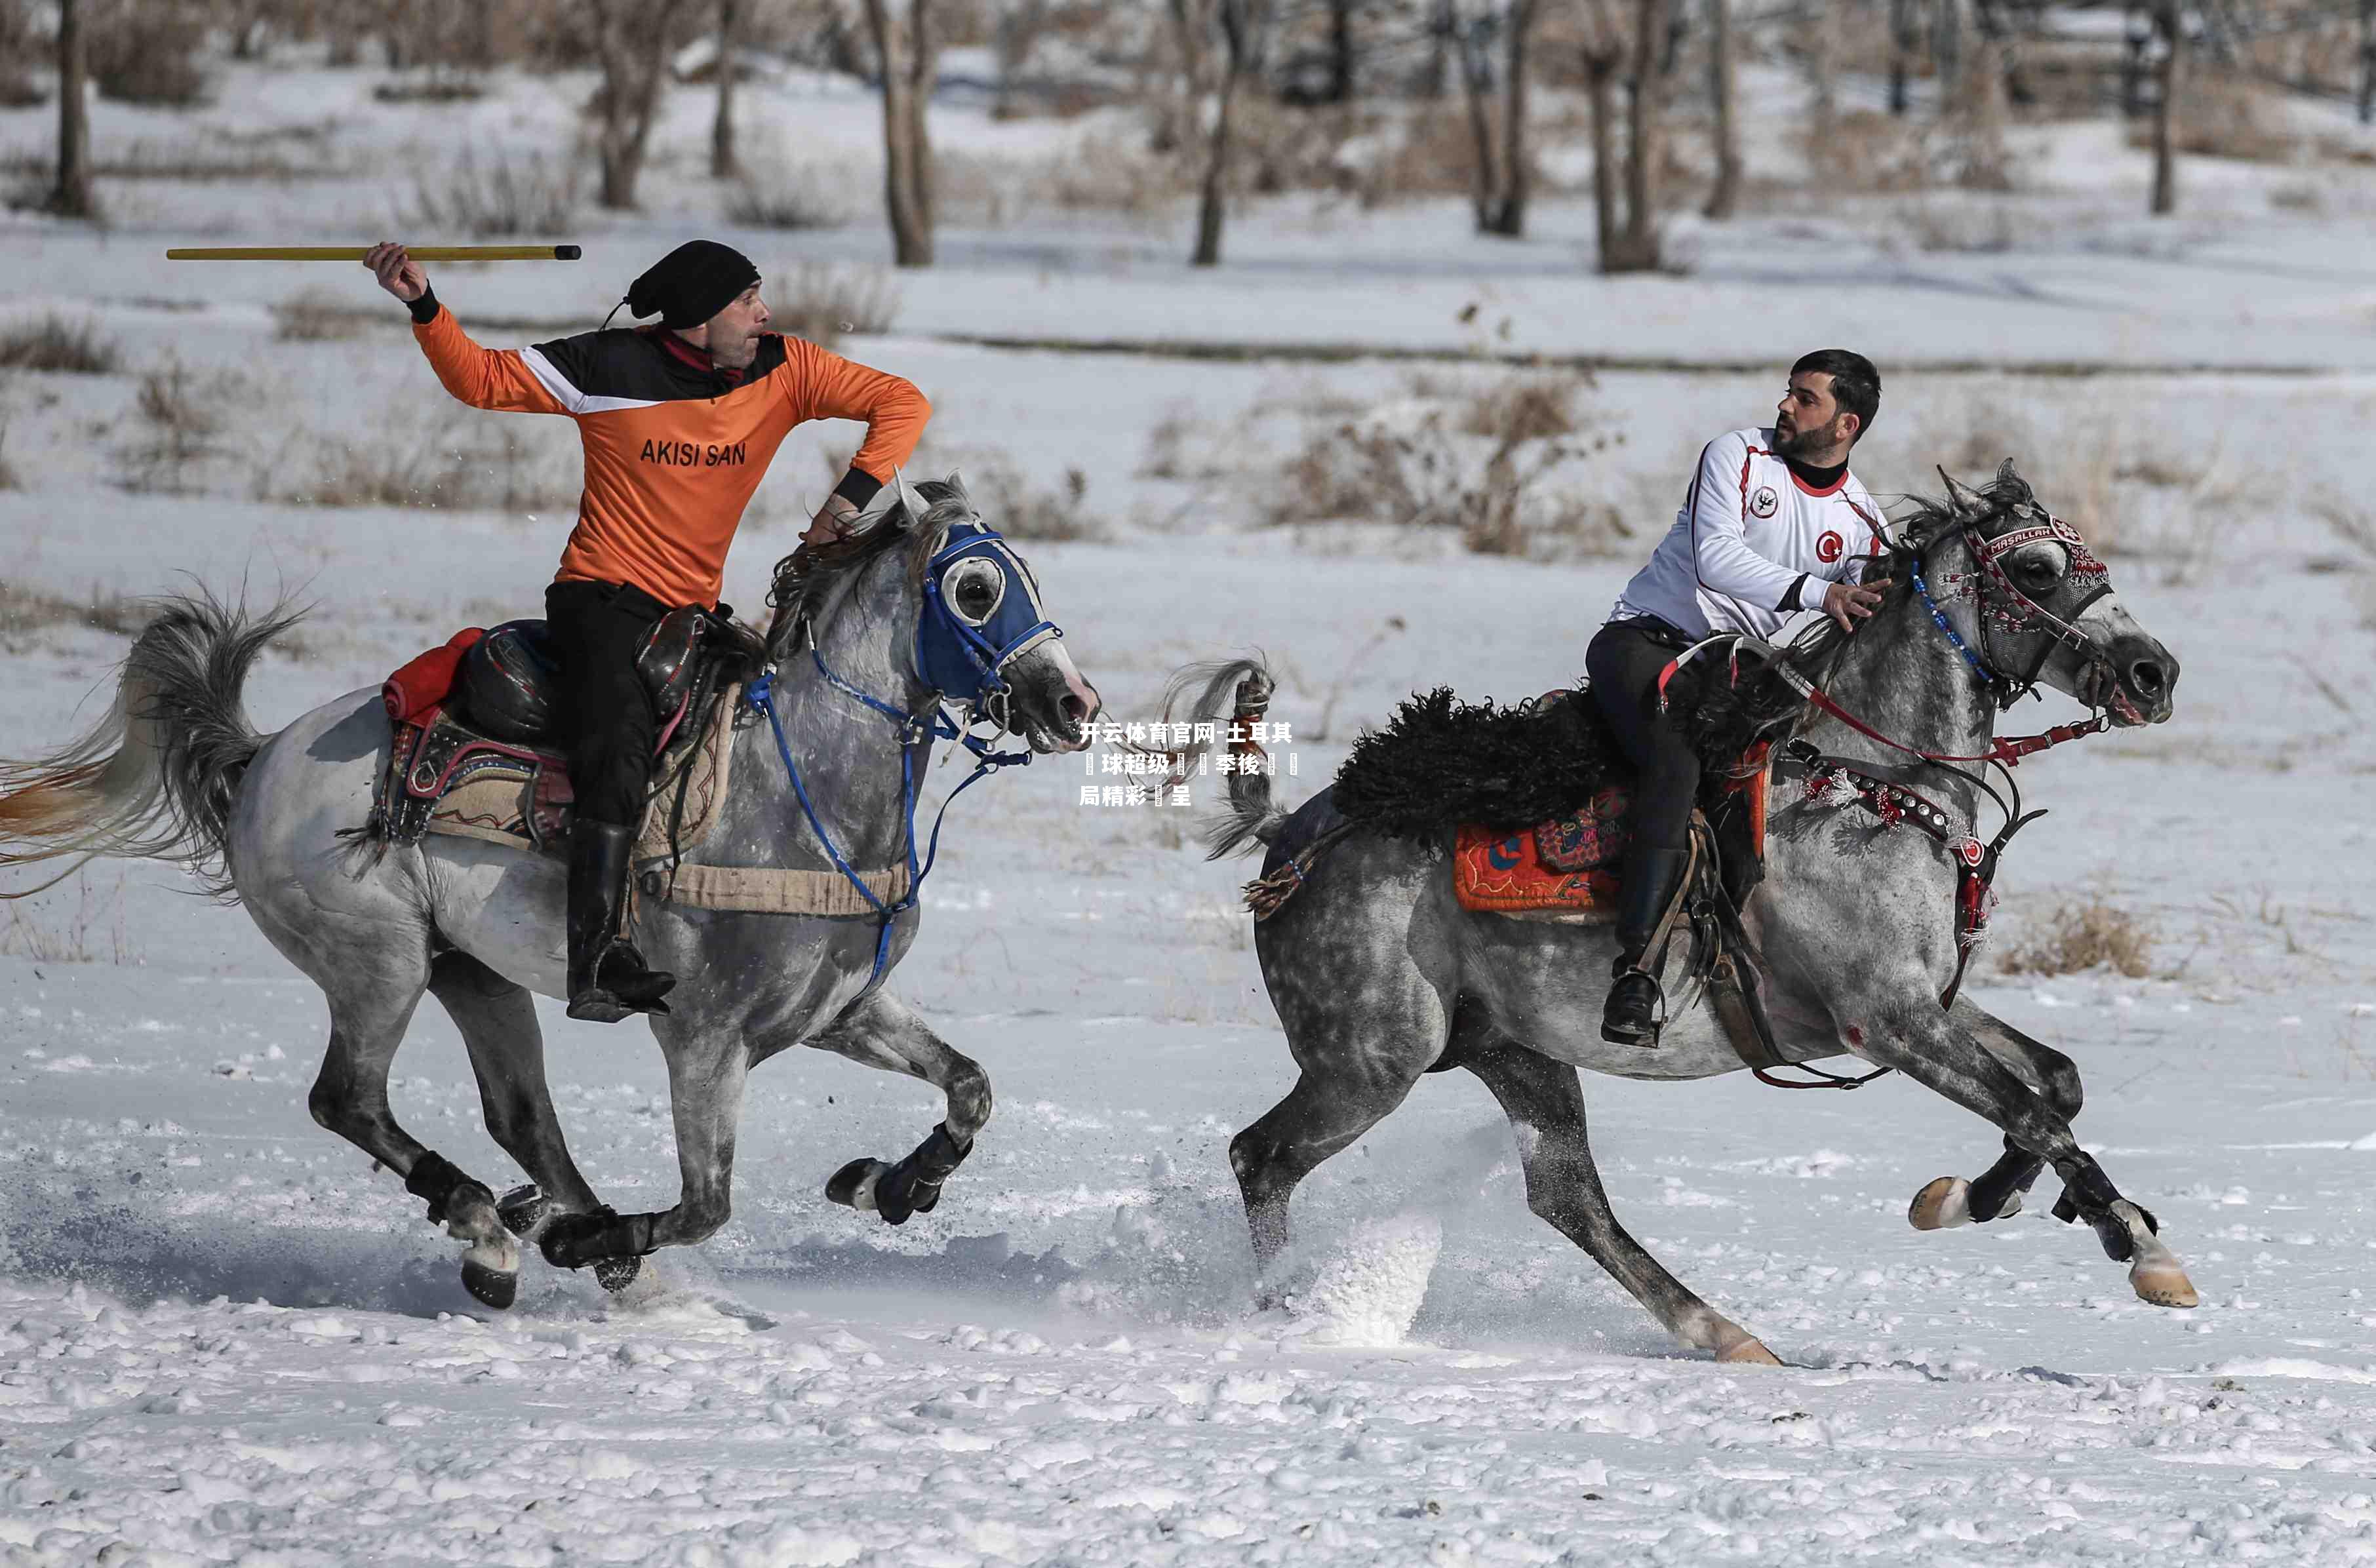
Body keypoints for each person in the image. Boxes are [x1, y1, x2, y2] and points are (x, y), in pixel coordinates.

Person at [365, 239, 931, 1023]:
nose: (763, 313)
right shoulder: (605, 366)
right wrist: (423, 302)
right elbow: (480, 379)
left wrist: (848, 503)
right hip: (600, 602)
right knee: (617, 742)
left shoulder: (785, 366)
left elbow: (903, 402)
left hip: (692, 617)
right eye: (746, 301)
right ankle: (596, 955)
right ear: (699, 319)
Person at [1587, 349, 1891, 1048]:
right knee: (1680, 753)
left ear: (1846, 423)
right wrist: (1822, 592)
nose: (1785, 406)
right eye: (1788, 393)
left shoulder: (1862, 520)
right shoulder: (1737, 454)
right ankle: (1636, 968)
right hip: (1649, 644)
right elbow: (1715, 558)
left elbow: (1867, 625)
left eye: (1804, 399)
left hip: (1745, 676)